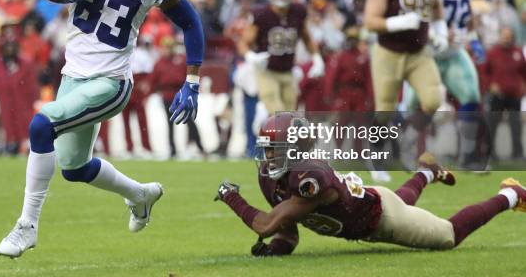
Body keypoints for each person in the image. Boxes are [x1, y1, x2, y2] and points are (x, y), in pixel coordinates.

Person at [0, 0, 204, 258]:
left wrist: (192, 81)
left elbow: (190, 23)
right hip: (73, 75)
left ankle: (26, 226)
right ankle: (140, 195)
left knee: (41, 126)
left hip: (111, 83)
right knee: (74, 168)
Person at [215, 113, 526, 256]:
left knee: (447, 236)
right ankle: (427, 171)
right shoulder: (274, 178)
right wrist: (278, 251)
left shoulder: (310, 179)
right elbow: (286, 228)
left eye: (273, 149)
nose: (266, 157)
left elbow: (268, 224)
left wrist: (232, 198)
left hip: (381, 217)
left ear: (293, 150)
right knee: (400, 199)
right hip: (369, 205)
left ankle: (510, 194)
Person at [363, 0, 448, 181]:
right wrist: (398, 23)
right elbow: (370, 21)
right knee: (385, 110)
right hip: (389, 51)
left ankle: (409, 137)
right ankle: (375, 156)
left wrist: (440, 30)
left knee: (434, 100)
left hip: (418, 51)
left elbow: (436, 6)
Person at [403, 0, 485, 166]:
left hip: (454, 52)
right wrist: (435, 36)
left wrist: (474, 39)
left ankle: (468, 156)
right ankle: (406, 151)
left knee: (471, 96)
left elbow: (466, 16)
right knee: (415, 104)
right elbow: (418, 20)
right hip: (428, 53)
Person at [238, 0, 324, 116]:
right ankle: (264, 115)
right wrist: (251, 57)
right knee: (278, 113)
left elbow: (307, 38)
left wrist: (317, 58)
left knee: (289, 114)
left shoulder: (298, 11)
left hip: (288, 70)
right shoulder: (261, 14)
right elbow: (243, 42)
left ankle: (265, 120)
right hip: (267, 70)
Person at [484, 27, 526, 159]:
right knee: (492, 124)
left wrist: (523, 86)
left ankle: (517, 153)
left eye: (508, 36)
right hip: (497, 95)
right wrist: (490, 85)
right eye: (504, 36)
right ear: (500, 36)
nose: (506, 39)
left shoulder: (518, 52)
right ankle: (490, 153)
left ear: (512, 37)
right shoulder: (492, 53)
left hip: (514, 94)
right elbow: (484, 73)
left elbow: (524, 72)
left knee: (516, 125)